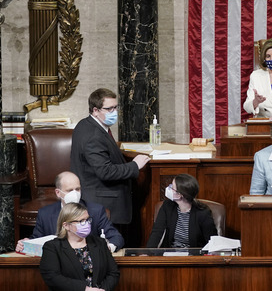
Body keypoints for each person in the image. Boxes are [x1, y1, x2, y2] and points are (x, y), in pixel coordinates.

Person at [70, 88, 151, 225]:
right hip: (103, 201)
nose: (114, 112)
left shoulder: (85, 124)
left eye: (115, 107)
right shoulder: (93, 136)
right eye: (109, 109)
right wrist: (134, 165)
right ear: (95, 110)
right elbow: (105, 172)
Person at [16, 172, 124, 253]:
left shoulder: (96, 211)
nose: (75, 193)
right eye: (69, 190)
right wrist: (26, 243)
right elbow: (37, 239)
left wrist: (108, 248)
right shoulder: (45, 214)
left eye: (77, 189)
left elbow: (116, 238)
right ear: (58, 193)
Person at [39, 202, 120, 291]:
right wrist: (85, 289)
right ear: (66, 225)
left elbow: (113, 273)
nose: (86, 224)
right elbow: (52, 277)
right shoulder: (52, 247)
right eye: (81, 221)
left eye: (87, 220)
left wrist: (101, 290)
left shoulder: (99, 243)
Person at [146, 174, 217, 248]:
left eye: (171, 187)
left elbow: (212, 241)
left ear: (179, 195)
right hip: (170, 253)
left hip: (193, 255)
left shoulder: (203, 213)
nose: (168, 188)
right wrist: (148, 253)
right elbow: (157, 231)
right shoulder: (167, 206)